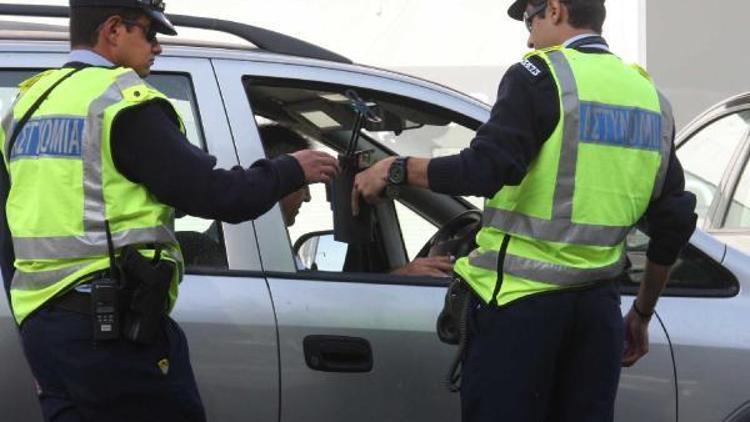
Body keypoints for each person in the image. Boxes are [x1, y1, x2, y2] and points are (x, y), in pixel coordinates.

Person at [352, 0, 697, 420]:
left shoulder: (540, 74)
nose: (529, 37)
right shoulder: (650, 99)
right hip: (597, 315)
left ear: (554, 10)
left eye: (529, 19)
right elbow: (674, 221)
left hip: (519, 311)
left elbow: (485, 169)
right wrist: (641, 314)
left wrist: (396, 170)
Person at [0, 1, 339, 421]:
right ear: (113, 30)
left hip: (47, 331)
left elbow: (7, 231)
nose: (158, 47)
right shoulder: (123, 104)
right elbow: (217, 196)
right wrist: (291, 169)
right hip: (112, 332)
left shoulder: (28, 105)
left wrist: (32, 327)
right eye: (150, 33)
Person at [259, 123, 454, 276]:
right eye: (303, 185)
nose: (308, 197)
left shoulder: (260, 246)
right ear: (280, 181)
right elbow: (314, 304)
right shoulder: (261, 250)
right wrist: (401, 277)